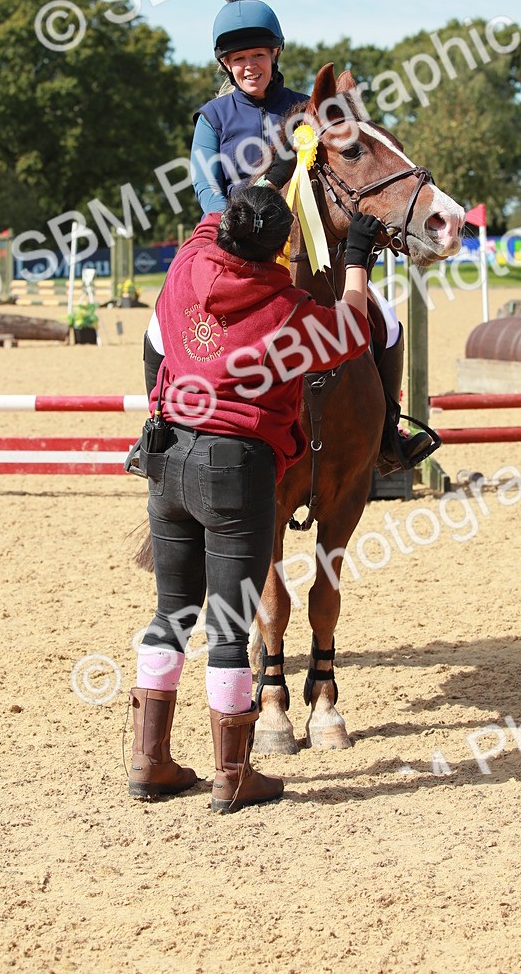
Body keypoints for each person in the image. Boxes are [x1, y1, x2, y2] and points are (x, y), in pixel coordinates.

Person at [129, 182, 381, 812]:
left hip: (167, 458)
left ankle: (150, 759)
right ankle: (233, 773)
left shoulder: (188, 267)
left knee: (173, 613)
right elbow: (354, 326)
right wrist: (355, 261)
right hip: (233, 469)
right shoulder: (288, 311)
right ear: (281, 249)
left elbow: (210, 226)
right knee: (230, 625)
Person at [141, 0, 434, 474]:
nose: (248, 66)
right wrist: (233, 225)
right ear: (225, 65)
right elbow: (205, 186)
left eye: (256, 55)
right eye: (237, 60)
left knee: (386, 323)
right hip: (230, 246)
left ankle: (389, 431)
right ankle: (160, 431)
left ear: (274, 55)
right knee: (157, 331)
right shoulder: (212, 117)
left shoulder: (307, 111)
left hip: (308, 246)